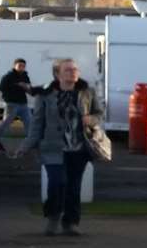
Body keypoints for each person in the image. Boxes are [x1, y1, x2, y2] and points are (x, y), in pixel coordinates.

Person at [14, 58, 101, 236]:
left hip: (79, 148)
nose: (73, 72)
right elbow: (37, 123)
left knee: (73, 187)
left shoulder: (87, 91)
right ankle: (53, 217)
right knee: (57, 182)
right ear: (57, 74)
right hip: (53, 148)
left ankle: (70, 223)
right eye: (68, 70)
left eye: (75, 69)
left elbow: (99, 113)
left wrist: (90, 119)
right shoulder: (45, 94)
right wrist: (26, 145)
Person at [0, 58, 32, 151]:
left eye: (23, 66)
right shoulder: (9, 76)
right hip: (12, 103)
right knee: (6, 123)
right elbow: (2, 88)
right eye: (19, 66)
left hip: (23, 103)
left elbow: (29, 87)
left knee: (29, 123)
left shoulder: (25, 76)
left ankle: (31, 143)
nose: (21, 68)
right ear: (14, 66)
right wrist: (15, 87)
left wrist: (26, 87)